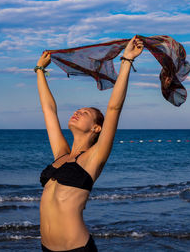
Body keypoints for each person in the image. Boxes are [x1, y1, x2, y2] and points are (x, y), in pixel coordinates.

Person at [36, 36, 144, 252]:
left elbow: (114, 109)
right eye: (77, 110)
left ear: (97, 128)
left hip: (77, 249)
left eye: (85, 113)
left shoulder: (95, 156)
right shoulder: (61, 155)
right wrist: (40, 70)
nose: (77, 112)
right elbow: (49, 110)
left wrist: (127, 60)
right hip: (46, 248)